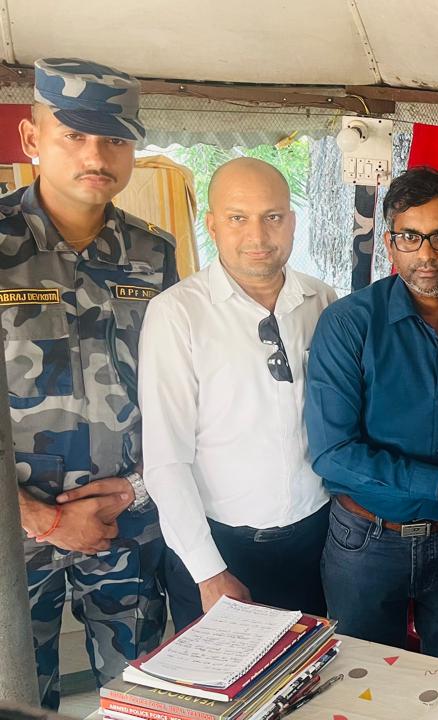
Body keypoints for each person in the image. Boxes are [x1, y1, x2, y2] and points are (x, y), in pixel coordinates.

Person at [6, 58, 178, 709]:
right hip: (14, 538)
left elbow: (175, 395)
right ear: (31, 138)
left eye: (114, 139)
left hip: (125, 527)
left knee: (142, 698)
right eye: (73, 135)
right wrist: (45, 519)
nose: (96, 156)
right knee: (18, 700)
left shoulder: (154, 254)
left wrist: (137, 487)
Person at [304, 166, 438, 665]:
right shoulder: (348, 324)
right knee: (362, 682)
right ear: (390, 243)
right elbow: (332, 454)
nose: (425, 254)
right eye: (410, 237)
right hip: (366, 541)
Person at [139, 157, 336, 631]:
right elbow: (166, 458)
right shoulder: (177, 314)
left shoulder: (323, 301)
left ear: (292, 221)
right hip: (220, 548)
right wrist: (208, 572)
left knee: (308, 668)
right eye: (237, 218)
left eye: (273, 217)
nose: (258, 235)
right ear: (212, 225)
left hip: (316, 541)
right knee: (223, 677)